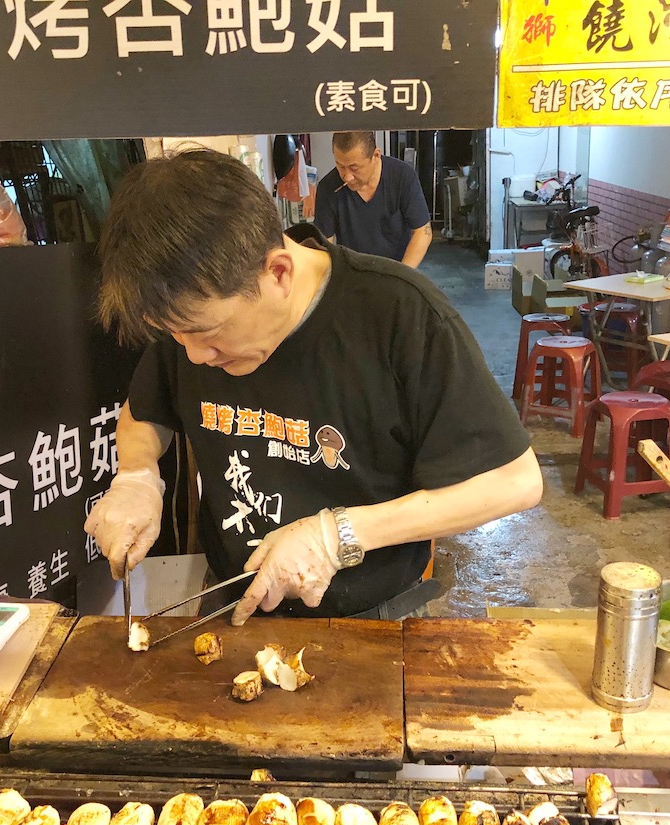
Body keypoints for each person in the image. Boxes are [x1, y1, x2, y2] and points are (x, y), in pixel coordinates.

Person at [84, 149, 542, 626]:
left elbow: (515, 481)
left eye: (210, 337)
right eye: (176, 337)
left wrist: (337, 535)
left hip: (369, 619)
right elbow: (144, 412)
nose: (196, 357)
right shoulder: (193, 320)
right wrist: (137, 478)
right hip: (232, 605)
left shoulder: (400, 315)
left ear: (278, 272)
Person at [313, 131, 433, 268]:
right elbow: (323, 244)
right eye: (340, 166)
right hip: (352, 272)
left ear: (376, 155)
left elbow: (422, 232)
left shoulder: (402, 176)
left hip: (398, 268)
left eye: (354, 168)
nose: (347, 177)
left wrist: (401, 276)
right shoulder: (328, 188)